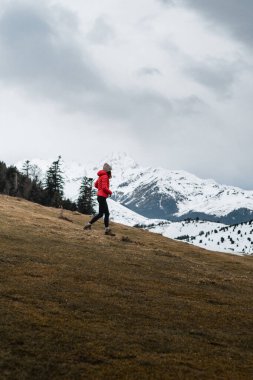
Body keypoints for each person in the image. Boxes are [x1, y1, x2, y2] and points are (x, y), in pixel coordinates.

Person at [83, 163, 115, 236]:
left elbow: (96, 185)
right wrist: (110, 192)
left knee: (101, 214)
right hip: (102, 197)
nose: (111, 172)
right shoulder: (105, 176)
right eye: (110, 171)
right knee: (106, 213)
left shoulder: (101, 176)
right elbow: (104, 187)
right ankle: (107, 230)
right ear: (108, 171)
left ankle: (88, 225)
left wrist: (100, 190)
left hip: (100, 196)